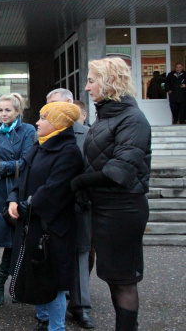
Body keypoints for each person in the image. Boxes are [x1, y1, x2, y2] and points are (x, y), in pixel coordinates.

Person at [71, 57, 151, 331]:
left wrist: (79, 182)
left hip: (123, 210)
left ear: (110, 82)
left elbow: (121, 170)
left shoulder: (133, 119)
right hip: (104, 208)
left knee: (124, 281)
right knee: (114, 280)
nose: (86, 87)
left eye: (91, 81)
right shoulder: (106, 116)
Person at [8, 101, 84, 331]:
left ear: (58, 123)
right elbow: (21, 176)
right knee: (35, 273)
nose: (37, 122)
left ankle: (56, 327)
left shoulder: (68, 152)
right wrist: (13, 198)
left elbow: (53, 191)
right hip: (31, 224)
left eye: (43, 118)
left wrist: (23, 208)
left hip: (51, 229)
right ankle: (43, 320)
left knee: (52, 280)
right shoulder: (40, 145)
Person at [46, 89, 93, 329]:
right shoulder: (44, 133)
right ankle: (52, 306)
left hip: (79, 206)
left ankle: (81, 307)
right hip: (53, 209)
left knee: (81, 256)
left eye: (54, 104)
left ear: (68, 103)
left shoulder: (87, 134)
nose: (50, 111)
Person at [0, 93, 35, 307]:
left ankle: (11, 284)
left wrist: (0, 168)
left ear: (18, 111)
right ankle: (3, 284)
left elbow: (26, 161)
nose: (3, 114)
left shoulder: (28, 131)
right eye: (0, 110)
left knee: (19, 239)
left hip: (19, 190)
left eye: (8, 110)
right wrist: (0, 168)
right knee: (9, 240)